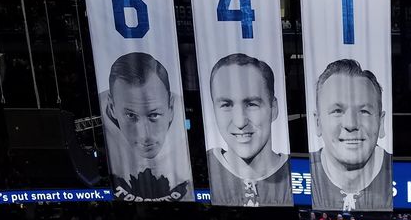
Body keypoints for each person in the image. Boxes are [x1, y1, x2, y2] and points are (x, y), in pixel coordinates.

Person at [206, 53, 291, 206]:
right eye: (226, 105)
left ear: (274, 108)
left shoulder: (300, 170)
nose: (239, 122)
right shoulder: (200, 170)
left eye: (251, 104)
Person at [103, 52, 190, 202]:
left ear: (170, 107)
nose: (144, 135)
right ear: (111, 107)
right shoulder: (100, 117)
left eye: (154, 115)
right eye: (130, 115)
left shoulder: (190, 114)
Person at [309, 58, 392, 211]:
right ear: (317, 122)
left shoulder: (401, 173)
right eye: (337, 111)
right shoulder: (298, 173)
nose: (351, 124)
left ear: (381, 122)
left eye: (364, 111)